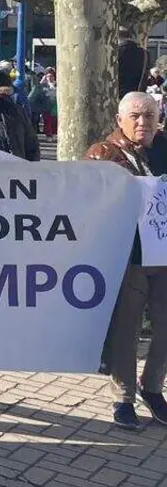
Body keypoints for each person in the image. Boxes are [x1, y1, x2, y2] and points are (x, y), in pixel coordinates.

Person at [85, 92, 167, 429]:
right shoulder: (101, 155)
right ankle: (124, 397)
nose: (143, 122)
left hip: (163, 255)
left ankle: (152, 388)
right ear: (119, 120)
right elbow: (87, 205)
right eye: (135, 116)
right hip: (127, 257)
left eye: (150, 115)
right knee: (125, 330)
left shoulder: (164, 147)